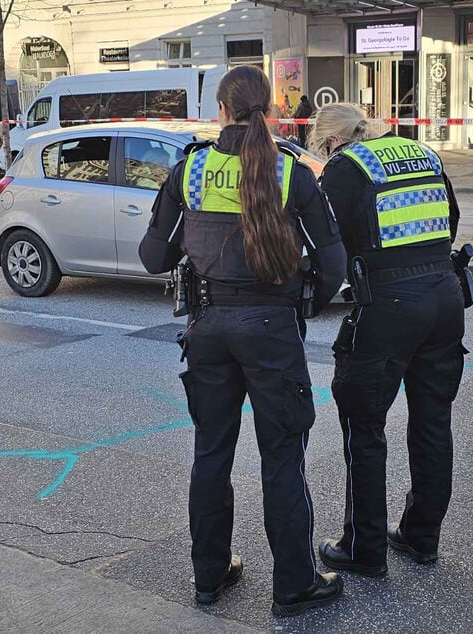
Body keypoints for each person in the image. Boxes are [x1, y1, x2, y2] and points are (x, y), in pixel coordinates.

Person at [139, 65, 347, 617]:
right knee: (283, 460)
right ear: (272, 111)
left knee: (211, 452)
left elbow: (153, 257)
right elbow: (333, 263)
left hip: (207, 329)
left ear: (222, 112)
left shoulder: (190, 170)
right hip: (272, 331)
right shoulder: (291, 173)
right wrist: (302, 307)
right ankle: (294, 587)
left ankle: (210, 576)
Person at [307, 103, 466, 577]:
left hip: (388, 307)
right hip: (445, 297)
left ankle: (364, 547)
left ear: (331, 141)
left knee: (364, 425)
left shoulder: (346, 167)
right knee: (433, 421)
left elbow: (325, 241)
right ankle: (421, 537)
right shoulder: (423, 153)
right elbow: (451, 219)